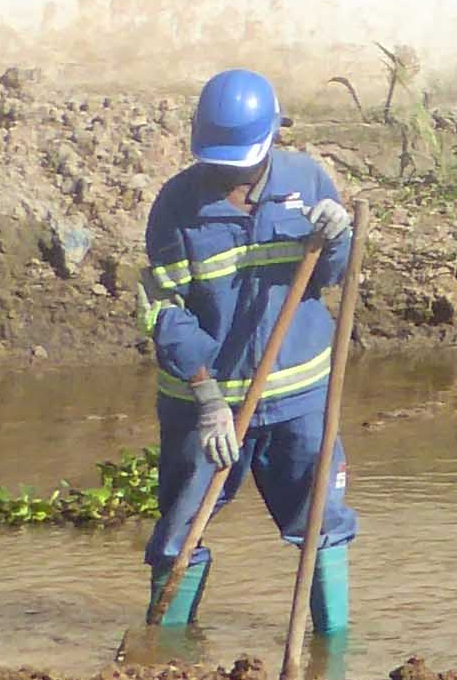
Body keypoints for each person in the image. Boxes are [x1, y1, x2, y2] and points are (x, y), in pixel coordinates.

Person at [137, 67, 359, 640]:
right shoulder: (176, 208)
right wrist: (208, 396)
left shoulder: (307, 182)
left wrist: (338, 240)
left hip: (298, 400)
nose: (228, 174)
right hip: (205, 405)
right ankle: (164, 656)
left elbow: (330, 278)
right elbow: (166, 311)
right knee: (182, 529)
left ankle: (329, 659)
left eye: (239, 162)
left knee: (320, 524)